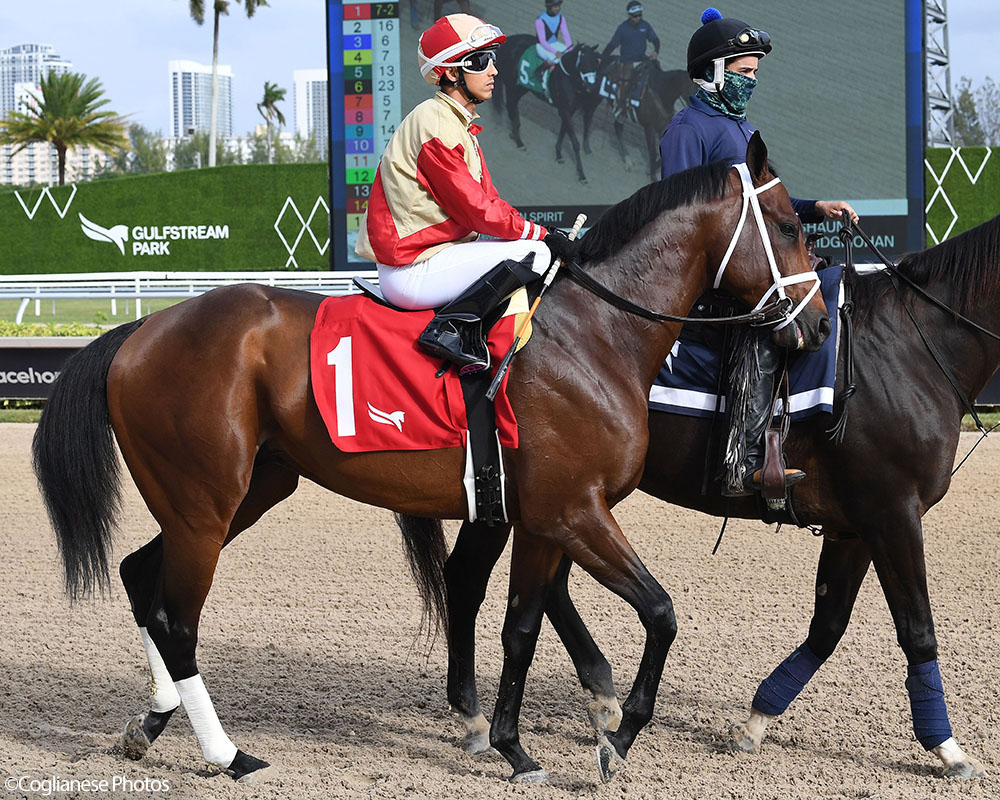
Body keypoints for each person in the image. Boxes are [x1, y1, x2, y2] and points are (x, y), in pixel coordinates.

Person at [658, 8, 859, 497]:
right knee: (777, 320)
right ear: (713, 73)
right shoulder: (689, 128)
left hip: (754, 263)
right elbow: (678, 214)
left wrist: (816, 208)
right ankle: (746, 461)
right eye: (745, 72)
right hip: (716, 276)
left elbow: (766, 208)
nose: (752, 82)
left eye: (754, 73)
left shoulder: (743, 129)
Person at [354, 14, 578, 374]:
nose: (492, 70)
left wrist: (545, 232)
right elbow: (478, 211)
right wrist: (543, 235)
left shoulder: (457, 123)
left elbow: (490, 202)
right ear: (452, 73)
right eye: (479, 61)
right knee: (534, 253)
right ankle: (452, 328)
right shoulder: (436, 123)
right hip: (411, 269)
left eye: (492, 58)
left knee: (537, 247)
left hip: (433, 257)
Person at [602, 1, 660, 119]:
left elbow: (655, 40)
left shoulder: (645, 25)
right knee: (626, 83)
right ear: (629, 15)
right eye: (635, 16)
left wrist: (656, 51)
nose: (638, 18)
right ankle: (621, 108)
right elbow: (612, 45)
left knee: (657, 71)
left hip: (641, 58)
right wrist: (602, 58)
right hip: (627, 60)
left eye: (640, 15)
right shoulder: (622, 28)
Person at [534, 0, 573, 77]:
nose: (558, 8)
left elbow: (566, 35)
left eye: (559, 6)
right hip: (542, 47)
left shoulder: (561, 18)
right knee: (553, 59)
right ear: (549, 6)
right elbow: (542, 41)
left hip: (554, 44)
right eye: (555, 7)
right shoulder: (540, 20)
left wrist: (571, 49)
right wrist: (555, 52)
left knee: (569, 56)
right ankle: (541, 71)